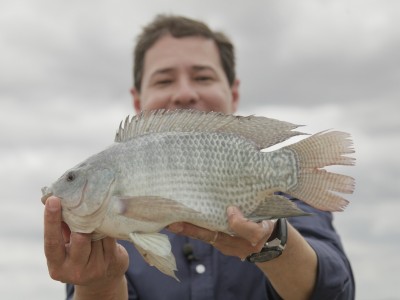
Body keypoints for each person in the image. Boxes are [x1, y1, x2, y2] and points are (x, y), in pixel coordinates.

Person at [43, 14, 355, 299]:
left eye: (203, 77)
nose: (185, 93)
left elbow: (336, 291)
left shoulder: (282, 195)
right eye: (164, 80)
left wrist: (274, 243)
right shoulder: (101, 236)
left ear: (233, 93)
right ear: (137, 100)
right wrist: (100, 283)